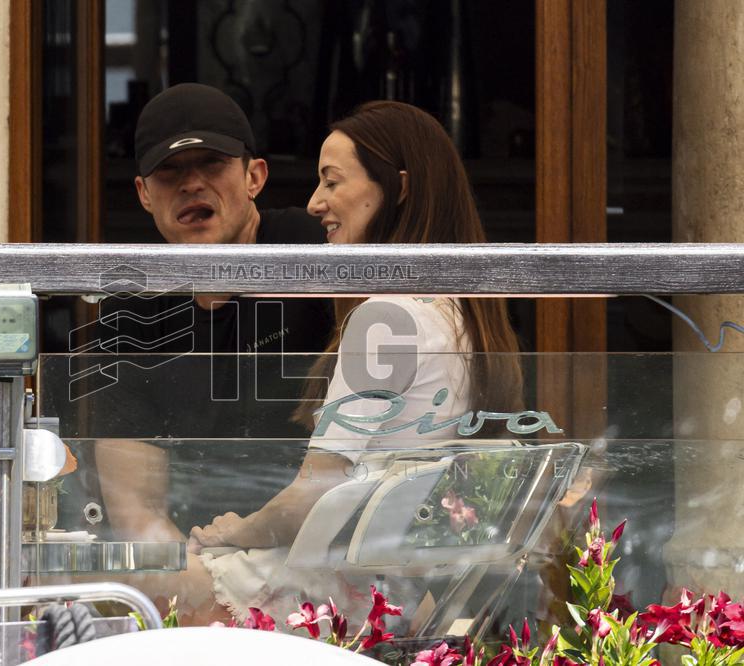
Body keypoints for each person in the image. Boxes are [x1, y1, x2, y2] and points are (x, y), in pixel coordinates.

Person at [97, 101, 523, 627]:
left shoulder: (377, 309)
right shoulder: (455, 309)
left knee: (74, 598)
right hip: (383, 591)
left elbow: (319, 491)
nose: (316, 203)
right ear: (142, 192)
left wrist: (236, 532)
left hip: (325, 592)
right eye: (170, 173)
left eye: (331, 182)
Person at [51, 83, 334, 541]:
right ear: (144, 193)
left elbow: (359, 459)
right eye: (169, 171)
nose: (191, 183)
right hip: (196, 568)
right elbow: (138, 513)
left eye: (212, 163)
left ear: (254, 177)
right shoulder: (131, 309)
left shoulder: (316, 254)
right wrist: (205, 585)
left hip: (316, 554)